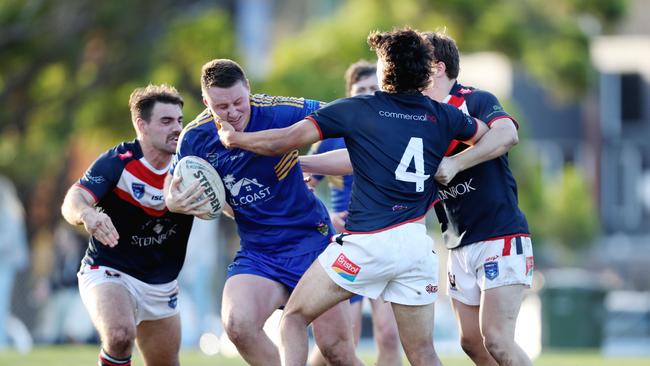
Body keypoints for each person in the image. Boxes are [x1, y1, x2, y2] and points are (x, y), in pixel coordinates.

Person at [217, 28, 489, 366]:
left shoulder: (360, 109)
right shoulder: (443, 114)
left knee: (294, 318)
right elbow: (486, 134)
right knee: (422, 353)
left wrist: (234, 140)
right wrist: (456, 162)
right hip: (417, 248)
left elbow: (282, 141)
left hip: (368, 245)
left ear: (385, 69)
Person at [164, 59, 361, 366]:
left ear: (249, 91)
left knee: (337, 351)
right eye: (221, 106)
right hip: (259, 251)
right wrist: (176, 203)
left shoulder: (278, 111)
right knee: (237, 324)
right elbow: (173, 189)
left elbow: (340, 117)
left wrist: (307, 164)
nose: (232, 112)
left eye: (238, 102)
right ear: (206, 102)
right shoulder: (195, 138)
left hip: (312, 243)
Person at [61, 84, 200, 366]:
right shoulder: (118, 162)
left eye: (179, 121)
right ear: (141, 125)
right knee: (120, 335)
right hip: (110, 270)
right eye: (166, 121)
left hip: (161, 284)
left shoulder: (191, 165)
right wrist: (88, 214)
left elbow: (225, 204)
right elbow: (73, 200)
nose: (176, 128)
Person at [422, 31, 533, 366]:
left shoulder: (475, 99)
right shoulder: (418, 114)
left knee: (497, 340)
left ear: (438, 68)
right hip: (457, 242)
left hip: (498, 234)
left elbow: (507, 134)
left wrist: (456, 163)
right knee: (471, 342)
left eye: (418, 63)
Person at [306, 60, 402, 366]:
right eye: (361, 90)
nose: (368, 94)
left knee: (388, 335)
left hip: (389, 242)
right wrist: (325, 216)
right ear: (349, 95)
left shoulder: (398, 131)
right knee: (342, 339)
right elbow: (302, 187)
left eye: (374, 89)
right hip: (348, 245)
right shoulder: (330, 138)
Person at [0, 175, 28, 349]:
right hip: (7, 264)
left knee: (2, 303)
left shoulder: (10, 212)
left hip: (7, 264)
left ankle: (2, 341)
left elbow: (7, 242)